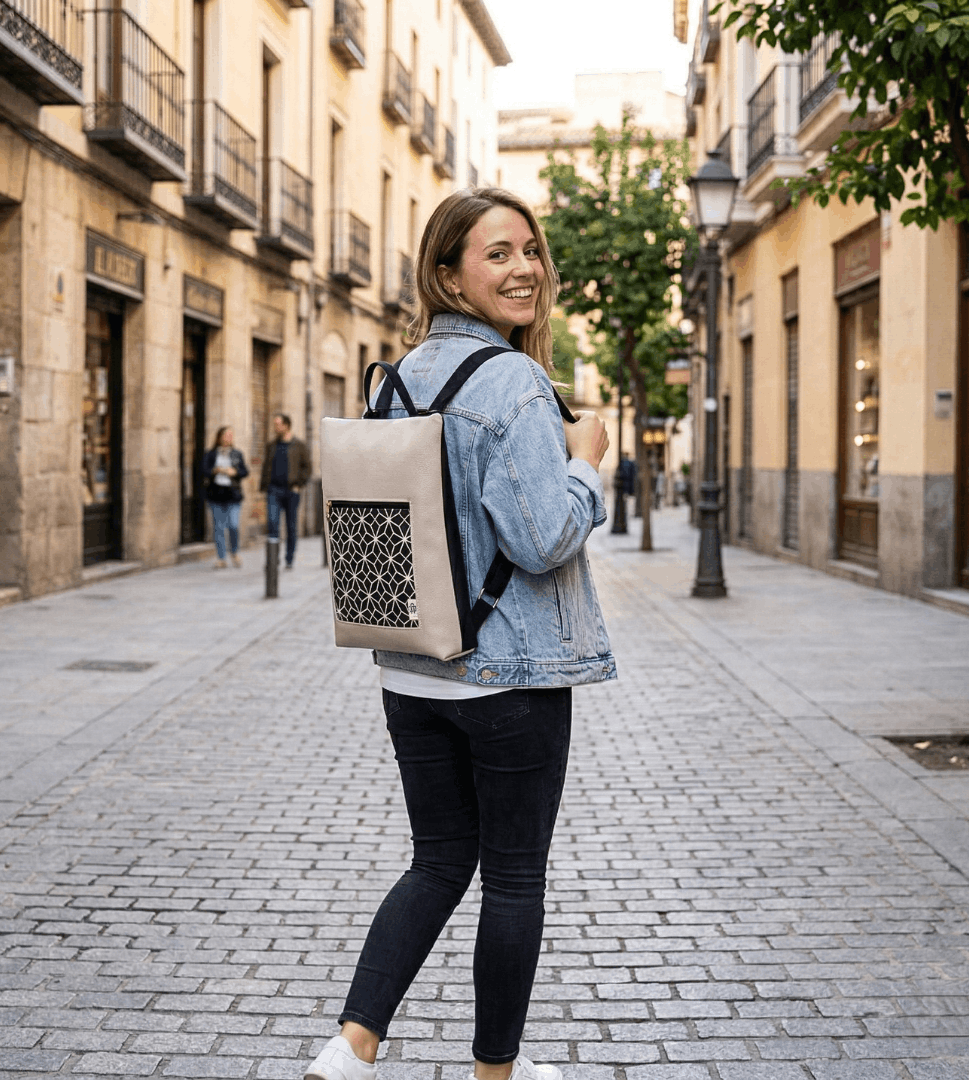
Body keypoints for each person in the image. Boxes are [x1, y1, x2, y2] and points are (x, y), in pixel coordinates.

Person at [305, 189, 615, 1080]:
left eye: (531, 251)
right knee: (513, 878)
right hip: (507, 676)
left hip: (411, 670)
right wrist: (588, 463)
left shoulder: (398, 378)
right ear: (447, 275)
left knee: (438, 861)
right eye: (498, 254)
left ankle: (351, 1045)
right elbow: (542, 538)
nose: (525, 270)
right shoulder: (512, 381)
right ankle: (494, 1076)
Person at [260, 413, 310, 568]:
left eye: (278, 424)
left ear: (286, 425)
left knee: (291, 526)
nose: (275, 427)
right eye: (275, 424)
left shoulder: (299, 445)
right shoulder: (271, 445)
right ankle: (273, 559)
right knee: (272, 523)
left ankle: (289, 558)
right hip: (274, 490)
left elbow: (307, 467)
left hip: (291, 491)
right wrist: (264, 486)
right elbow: (266, 466)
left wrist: (299, 485)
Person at [202, 426, 248, 568]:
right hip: (216, 494)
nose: (229, 438)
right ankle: (221, 558)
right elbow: (204, 470)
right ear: (219, 437)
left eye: (230, 435)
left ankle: (234, 552)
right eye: (226, 435)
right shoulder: (211, 454)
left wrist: (234, 472)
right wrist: (215, 471)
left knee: (233, 525)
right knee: (219, 527)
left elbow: (245, 471)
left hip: (233, 495)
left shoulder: (237, 454)